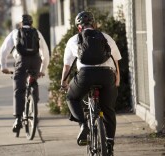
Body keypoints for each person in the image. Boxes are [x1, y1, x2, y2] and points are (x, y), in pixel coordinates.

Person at [60, 11, 121, 155]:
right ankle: (110, 144)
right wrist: (117, 79)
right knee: (108, 111)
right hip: (107, 75)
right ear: (94, 24)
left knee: (71, 97)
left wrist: (63, 83)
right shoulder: (106, 37)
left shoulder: (73, 40)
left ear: (79, 27)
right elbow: (115, 60)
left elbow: (67, 66)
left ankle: (83, 124)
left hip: (85, 76)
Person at [0, 14, 50, 133]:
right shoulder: (37, 33)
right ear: (32, 23)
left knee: (19, 89)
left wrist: (4, 67)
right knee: (33, 80)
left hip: (22, 61)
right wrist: (42, 70)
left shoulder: (15, 33)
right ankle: (34, 106)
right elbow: (45, 52)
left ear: (21, 23)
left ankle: (18, 119)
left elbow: (4, 50)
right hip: (36, 61)